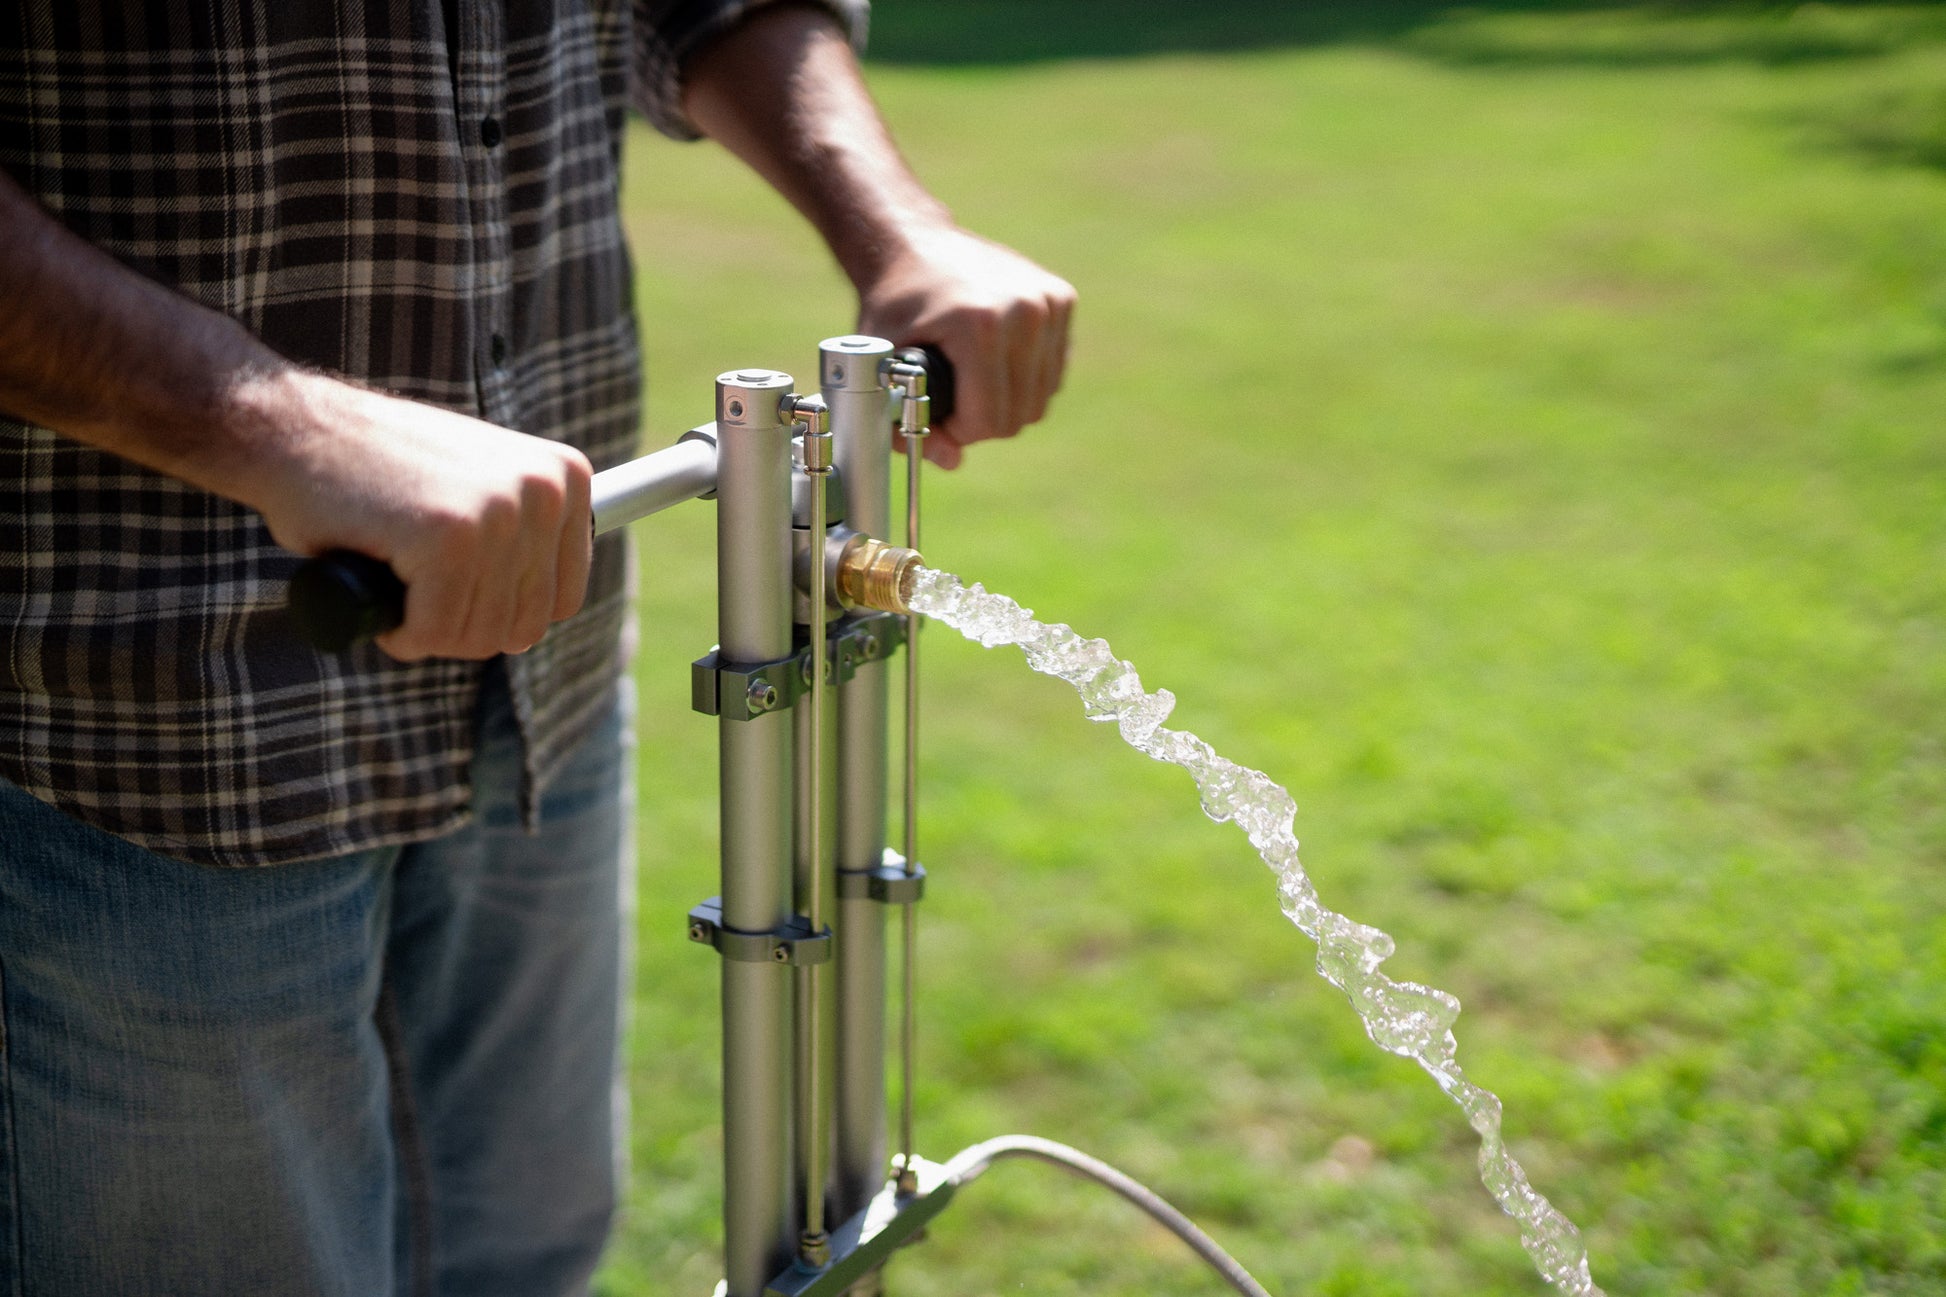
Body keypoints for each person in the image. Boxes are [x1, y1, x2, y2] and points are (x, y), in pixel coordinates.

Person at [0, 1, 1073, 1293]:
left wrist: (901, 225)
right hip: (145, 717)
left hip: (542, 681)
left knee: (526, 1259)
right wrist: (268, 423)